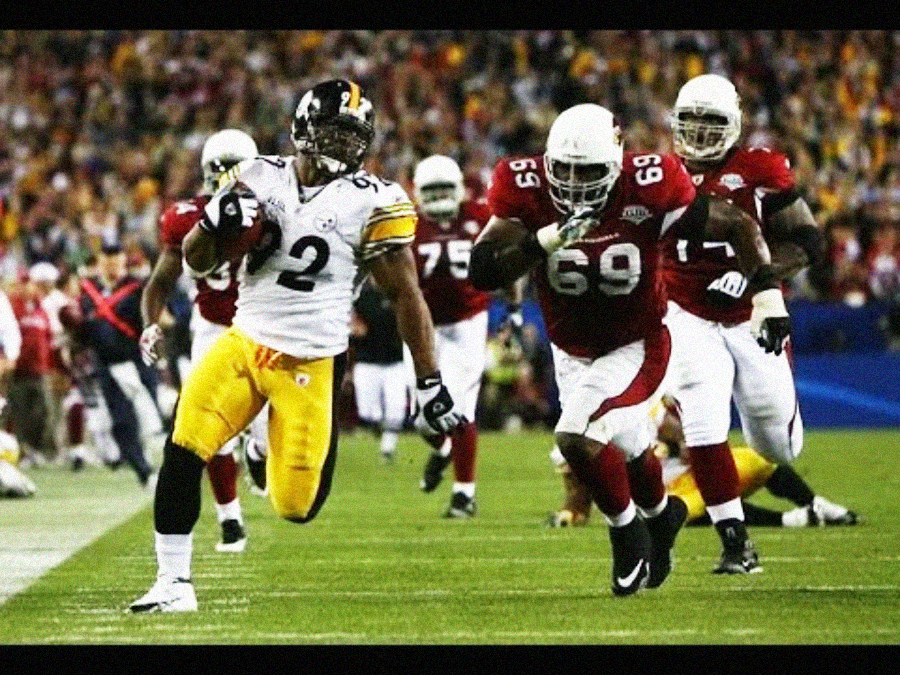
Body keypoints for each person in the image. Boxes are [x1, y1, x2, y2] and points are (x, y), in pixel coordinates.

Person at [129, 79, 465, 613]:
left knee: (294, 506)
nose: (342, 146)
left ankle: (261, 447)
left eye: (353, 136)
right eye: (332, 132)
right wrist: (215, 223)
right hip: (243, 342)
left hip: (311, 360)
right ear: (304, 129)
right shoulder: (256, 175)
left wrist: (429, 380)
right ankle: (173, 584)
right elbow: (197, 261)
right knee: (184, 444)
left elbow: (406, 295)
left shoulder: (374, 201)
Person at [469, 103, 788, 596]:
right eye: (566, 170)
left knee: (574, 436)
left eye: (589, 171)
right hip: (570, 348)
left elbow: (739, 225)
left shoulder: (652, 182)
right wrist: (543, 241)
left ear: (615, 165)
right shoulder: (523, 185)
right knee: (627, 444)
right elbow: (483, 271)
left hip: (637, 342)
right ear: (548, 163)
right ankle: (661, 517)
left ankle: (626, 531)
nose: (575, 183)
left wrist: (766, 296)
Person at [657, 73, 827, 573]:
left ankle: (783, 426)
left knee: (774, 445)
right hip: (686, 312)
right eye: (691, 121)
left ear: (733, 125)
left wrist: (758, 279)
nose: (701, 133)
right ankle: (736, 544)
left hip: (752, 314)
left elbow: (808, 241)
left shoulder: (759, 169)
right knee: (702, 421)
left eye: (713, 122)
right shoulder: (660, 173)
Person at [139, 128, 260, 553]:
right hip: (212, 327)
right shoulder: (187, 216)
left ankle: (260, 451)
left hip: (262, 324)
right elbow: (159, 282)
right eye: (221, 169)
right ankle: (230, 520)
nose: (228, 177)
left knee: (266, 426)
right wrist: (151, 323)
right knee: (211, 425)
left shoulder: (272, 209)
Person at [548, 395, 859, 529]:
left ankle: (817, 504)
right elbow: (577, 499)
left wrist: (675, 446)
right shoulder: (572, 432)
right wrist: (569, 514)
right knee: (676, 511)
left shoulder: (641, 406)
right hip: (662, 496)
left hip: (693, 472)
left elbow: (684, 441)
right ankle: (792, 520)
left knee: (761, 461)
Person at [408, 154, 511, 518]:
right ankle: (444, 450)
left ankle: (464, 494)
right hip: (422, 325)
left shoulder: (480, 215)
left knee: (461, 410)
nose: (437, 197)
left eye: (443, 188)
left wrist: (511, 309)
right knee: (422, 418)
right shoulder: (407, 222)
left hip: (468, 321)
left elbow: (508, 257)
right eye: (430, 190)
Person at [60, 241, 164, 487]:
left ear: (122, 260)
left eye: (116, 258)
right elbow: (83, 330)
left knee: (151, 415)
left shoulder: (137, 288)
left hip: (136, 361)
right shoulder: (88, 291)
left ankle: (161, 463)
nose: (111, 264)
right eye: (107, 259)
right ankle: (144, 470)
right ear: (100, 261)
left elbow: (153, 320)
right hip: (106, 363)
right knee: (120, 420)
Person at [349, 276, 407, 465]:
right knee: (368, 412)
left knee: (396, 408)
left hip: (394, 361)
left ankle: (387, 449)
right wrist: (353, 328)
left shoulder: (398, 295)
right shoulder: (361, 297)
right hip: (367, 361)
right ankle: (378, 429)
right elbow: (349, 325)